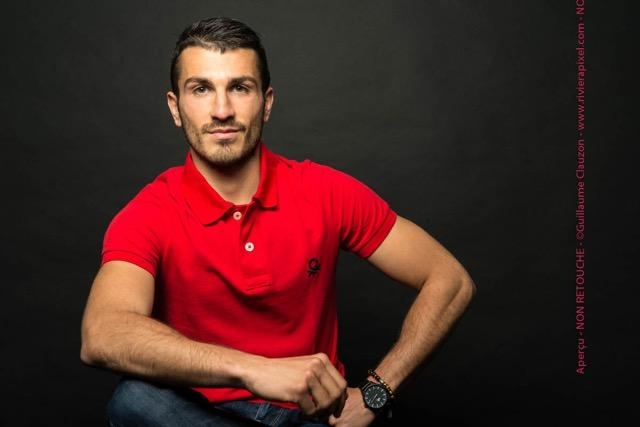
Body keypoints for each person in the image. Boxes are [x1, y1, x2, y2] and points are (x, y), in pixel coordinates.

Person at [80, 16, 476, 427]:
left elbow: (450, 279)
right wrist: (252, 370)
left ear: (266, 102)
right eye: (201, 89)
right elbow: (104, 333)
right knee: (136, 400)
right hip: (196, 415)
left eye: (240, 87)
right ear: (175, 107)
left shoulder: (323, 190)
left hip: (309, 417)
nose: (222, 110)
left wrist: (378, 393)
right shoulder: (149, 212)